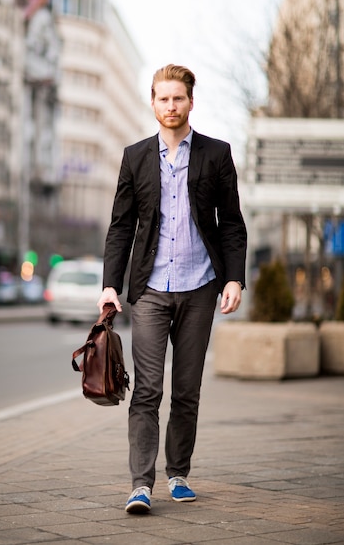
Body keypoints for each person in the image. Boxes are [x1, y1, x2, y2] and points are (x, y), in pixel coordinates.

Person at [97, 64, 247, 513]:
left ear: (190, 102)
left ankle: (177, 471)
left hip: (200, 286)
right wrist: (110, 285)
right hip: (149, 290)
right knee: (147, 390)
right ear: (153, 102)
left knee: (186, 389)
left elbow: (231, 224)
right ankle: (140, 485)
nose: (170, 106)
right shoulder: (136, 156)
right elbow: (121, 227)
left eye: (178, 98)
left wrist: (234, 278)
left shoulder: (216, 154)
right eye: (163, 98)